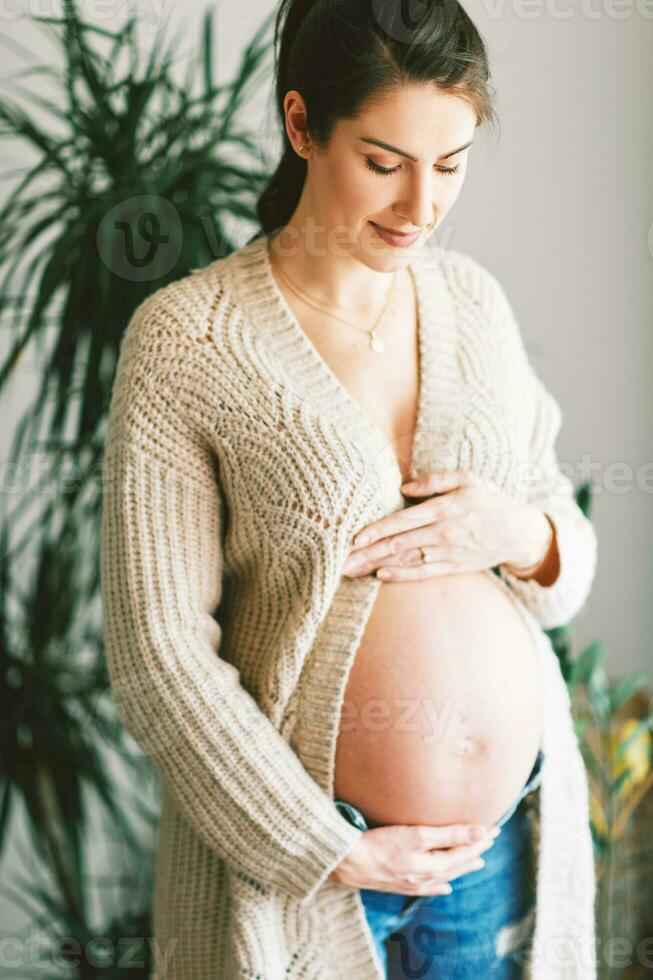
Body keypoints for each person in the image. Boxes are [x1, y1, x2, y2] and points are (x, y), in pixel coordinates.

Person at [100, 1, 598, 977]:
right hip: (308, 861)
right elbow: (156, 649)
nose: (420, 205)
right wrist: (322, 846)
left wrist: (515, 527)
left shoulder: (471, 304)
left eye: (448, 165)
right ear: (301, 126)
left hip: (489, 856)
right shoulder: (187, 339)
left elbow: (557, 566)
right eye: (383, 162)